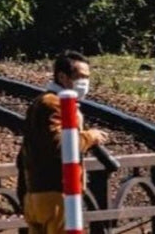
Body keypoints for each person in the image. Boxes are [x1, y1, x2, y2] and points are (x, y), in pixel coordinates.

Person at [17, 51, 109, 234]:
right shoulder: (55, 104)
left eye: (87, 77)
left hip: (36, 194)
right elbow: (61, 146)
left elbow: (25, 153)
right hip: (57, 194)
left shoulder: (40, 102)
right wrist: (89, 137)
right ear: (62, 76)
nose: (85, 83)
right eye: (80, 77)